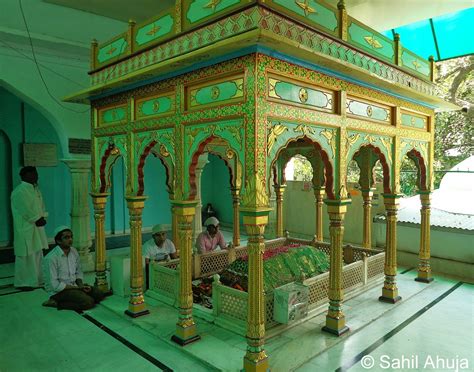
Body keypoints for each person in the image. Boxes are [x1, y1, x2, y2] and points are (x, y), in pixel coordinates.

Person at [42, 226, 104, 310]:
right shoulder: (51, 258)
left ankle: (79, 296)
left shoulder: (73, 251)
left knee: (99, 294)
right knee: (88, 302)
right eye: (66, 237)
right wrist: (78, 288)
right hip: (58, 292)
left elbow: (78, 272)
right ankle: (55, 302)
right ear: (58, 241)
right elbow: (55, 286)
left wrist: (81, 285)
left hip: (74, 287)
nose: (70, 239)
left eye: (71, 237)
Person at [11, 166, 48, 291]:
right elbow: (24, 209)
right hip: (26, 228)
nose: (36, 176)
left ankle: (38, 279)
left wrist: (42, 216)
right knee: (26, 255)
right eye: (32, 174)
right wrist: (37, 219)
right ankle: (23, 282)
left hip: (37, 227)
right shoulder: (19, 191)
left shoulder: (35, 189)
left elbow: (41, 206)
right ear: (24, 176)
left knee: (37, 252)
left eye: (36, 174)